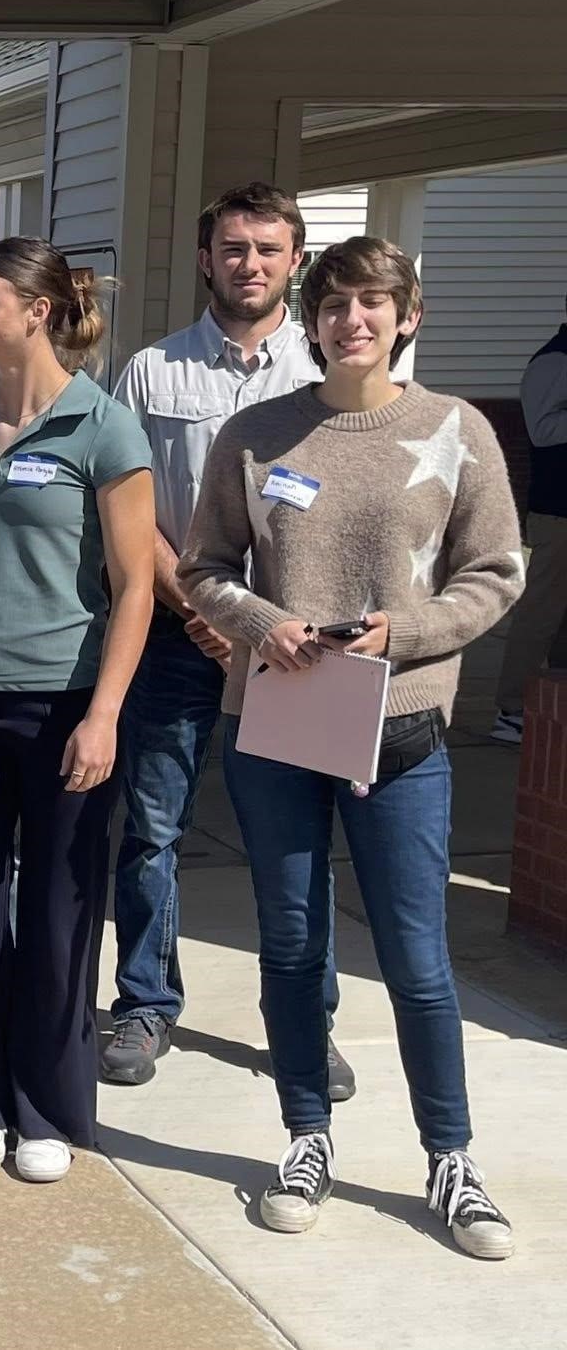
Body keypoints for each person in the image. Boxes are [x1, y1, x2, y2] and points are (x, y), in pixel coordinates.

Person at [182, 235, 524, 1260]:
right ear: (309, 320)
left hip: (402, 728)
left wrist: (401, 631)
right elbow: (202, 568)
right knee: (289, 945)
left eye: (371, 304)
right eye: (332, 305)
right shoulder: (254, 435)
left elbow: (495, 570)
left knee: (415, 962)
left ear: (403, 317)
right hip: (276, 727)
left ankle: (449, 1157)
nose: (351, 321)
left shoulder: (453, 430)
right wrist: (260, 624)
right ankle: (304, 1136)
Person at [0, 238, 154, 1184]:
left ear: (37, 312)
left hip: (65, 706)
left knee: (58, 912)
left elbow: (135, 587)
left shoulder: (104, 430)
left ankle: (47, 1106)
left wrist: (105, 714)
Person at [103, 185, 352, 1095]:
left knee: (294, 840)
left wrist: (263, 624)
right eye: (234, 248)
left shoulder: (328, 372)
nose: (250, 263)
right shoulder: (151, 372)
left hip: (296, 646)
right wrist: (202, 611)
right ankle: (144, 1001)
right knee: (153, 829)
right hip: (179, 634)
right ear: (206, 258)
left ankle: (305, 1025)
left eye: (269, 249)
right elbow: (128, 512)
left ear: (296, 261)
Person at [491, 296, 567, 745]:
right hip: (558, 510)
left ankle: (555, 701)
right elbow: (543, 430)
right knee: (542, 610)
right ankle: (512, 710)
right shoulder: (554, 360)